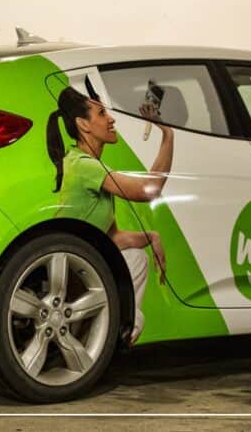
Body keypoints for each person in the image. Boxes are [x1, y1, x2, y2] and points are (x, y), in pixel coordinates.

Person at [46, 85, 174, 344]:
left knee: (136, 258)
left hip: (80, 268)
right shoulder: (85, 167)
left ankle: (112, 335)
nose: (111, 119)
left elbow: (112, 237)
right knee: (135, 314)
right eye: (102, 113)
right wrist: (168, 135)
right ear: (84, 124)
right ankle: (115, 335)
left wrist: (151, 236)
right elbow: (149, 190)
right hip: (71, 274)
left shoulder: (85, 164)